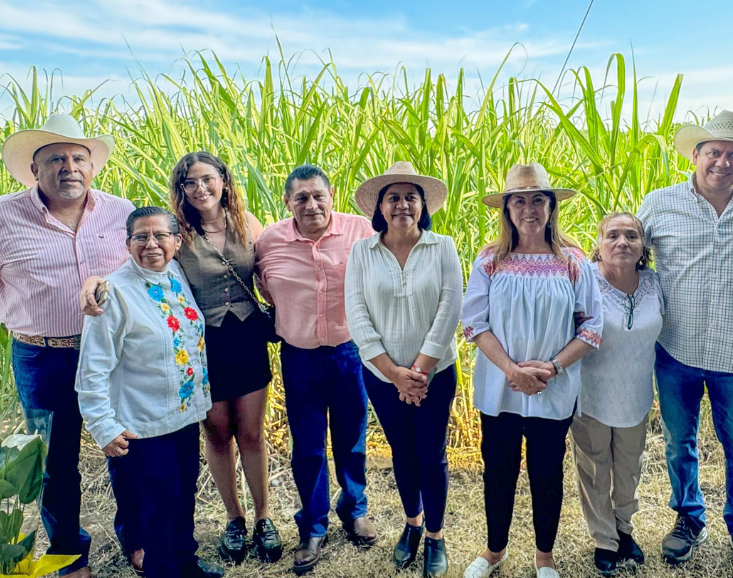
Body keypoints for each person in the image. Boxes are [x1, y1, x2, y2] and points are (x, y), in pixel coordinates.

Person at [0, 114, 134, 578]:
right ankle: (70, 557)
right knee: (56, 463)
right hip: (41, 356)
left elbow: (137, 275)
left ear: (92, 168)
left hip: (114, 354)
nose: (68, 167)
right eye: (55, 159)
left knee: (129, 449)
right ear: (35, 170)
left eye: (78, 158)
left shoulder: (120, 211)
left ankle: (138, 541)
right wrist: (21, 311)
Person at [80, 152, 280, 565]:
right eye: (190, 183)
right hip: (204, 344)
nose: (201, 189)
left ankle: (263, 518)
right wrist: (96, 281)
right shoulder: (178, 233)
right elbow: (142, 263)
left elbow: (271, 270)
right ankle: (234, 518)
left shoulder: (249, 223)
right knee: (218, 435)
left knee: (252, 434)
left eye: (208, 179)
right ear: (181, 190)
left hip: (243, 339)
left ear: (224, 181)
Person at [637, 110, 733, 575]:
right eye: (714, 152)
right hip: (675, 349)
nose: (722, 162)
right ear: (695, 154)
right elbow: (622, 250)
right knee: (677, 442)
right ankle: (689, 517)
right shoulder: (659, 203)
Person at [461, 163, 603, 578]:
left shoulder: (572, 261)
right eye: (519, 200)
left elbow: (592, 326)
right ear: (506, 208)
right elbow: (474, 323)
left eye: (538, 199)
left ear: (551, 206)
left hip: (552, 389)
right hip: (500, 387)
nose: (529, 209)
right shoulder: (490, 259)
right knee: (498, 469)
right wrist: (512, 370)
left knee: (546, 471)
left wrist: (553, 368)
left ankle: (545, 557)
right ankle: (494, 550)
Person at [74, 206, 222, 578]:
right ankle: (164, 570)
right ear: (127, 244)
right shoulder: (115, 293)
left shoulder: (174, 273)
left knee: (183, 498)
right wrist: (102, 426)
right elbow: (92, 367)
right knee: (157, 512)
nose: (151, 244)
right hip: (142, 424)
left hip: (183, 415)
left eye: (160, 236)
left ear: (177, 241)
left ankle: (187, 564)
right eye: (141, 237)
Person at [255, 164, 376, 574]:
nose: (311, 204)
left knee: (352, 438)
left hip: (349, 352)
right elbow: (265, 286)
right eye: (301, 197)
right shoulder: (269, 241)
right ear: (287, 202)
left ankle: (354, 509)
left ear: (332, 195)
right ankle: (313, 525)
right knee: (306, 445)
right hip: (299, 356)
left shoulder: (360, 231)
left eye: (318, 195)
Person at [345, 161, 462, 578]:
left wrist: (420, 369)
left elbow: (451, 307)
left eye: (410, 197)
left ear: (422, 205)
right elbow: (356, 314)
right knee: (401, 451)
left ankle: (435, 535)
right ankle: (411, 523)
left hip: (437, 373)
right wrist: (394, 373)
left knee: (431, 453)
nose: (401, 205)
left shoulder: (443, 246)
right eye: (392, 197)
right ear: (380, 207)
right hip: (381, 377)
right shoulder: (362, 250)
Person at [573, 212, 662, 576]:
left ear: (643, 247)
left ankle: (625, 530)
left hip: (636, 395)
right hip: (591, 394)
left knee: (628, 469)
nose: (622, 242)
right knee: (594, 469)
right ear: (599, 243)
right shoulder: (583, 281)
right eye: (612, 235)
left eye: (631, 236)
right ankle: (604, 539)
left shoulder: (655, 284)